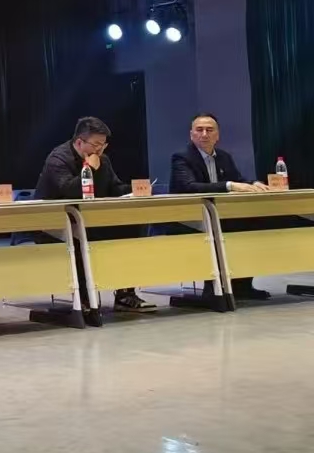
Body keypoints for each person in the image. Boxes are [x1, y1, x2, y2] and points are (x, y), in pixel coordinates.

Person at [35, 116, 157, 313]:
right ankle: (84, 299)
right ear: (79, 142)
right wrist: (89, 168)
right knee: (79, 237)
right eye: (96, 144)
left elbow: (115, 188)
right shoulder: (58, 159)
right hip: (55, 225)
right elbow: (69, 191)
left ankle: (125, 294)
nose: (100, 150)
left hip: (90, 221)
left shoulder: (103, 160)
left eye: (103, 145)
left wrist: (135, 190)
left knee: (132, 227)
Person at [170, 113, 272, 300]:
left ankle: (242, 285)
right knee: (219, 230)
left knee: (253, 225)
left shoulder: (224, 156)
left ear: (217, 135)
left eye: (209, 130)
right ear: (191, 135)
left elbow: (238, 179)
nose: (204, 134)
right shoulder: (181, 158)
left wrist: (254, 183)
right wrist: (229, 186)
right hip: (189, 217)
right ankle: (212, 289)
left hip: (219, 215)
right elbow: (189, 187)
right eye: (199, 130)